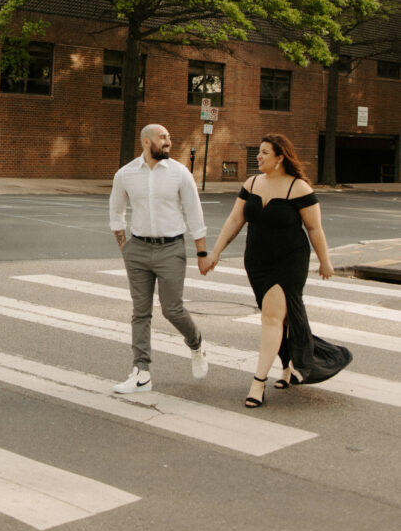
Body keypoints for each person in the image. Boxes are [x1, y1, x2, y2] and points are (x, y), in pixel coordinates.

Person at [200, 133, 352, 408]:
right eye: (258, 152)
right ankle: (287, 365)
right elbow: (235, 219)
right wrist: (216, 252)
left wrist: (325, 261)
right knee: (279, 319)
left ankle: (258, 383)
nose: (258, 157)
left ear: (280, 157)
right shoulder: (252, 183)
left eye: (264, 153)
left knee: (271, 317)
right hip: (257, 261)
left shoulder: (299, 188)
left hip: (289, 261)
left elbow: (314, 228)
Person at [110, 123, 209, 394]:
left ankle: (196, 342)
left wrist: (202, 253)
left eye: (168, 137)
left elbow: (194, 214)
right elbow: (116, 214)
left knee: (172, 309)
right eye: (162, 137)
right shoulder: (126, 174)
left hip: (171, 249)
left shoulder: (180, 173)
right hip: (138, 250)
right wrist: (126, 250)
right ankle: (141, 372)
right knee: (140, 312)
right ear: (145, 142)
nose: (168, 142)